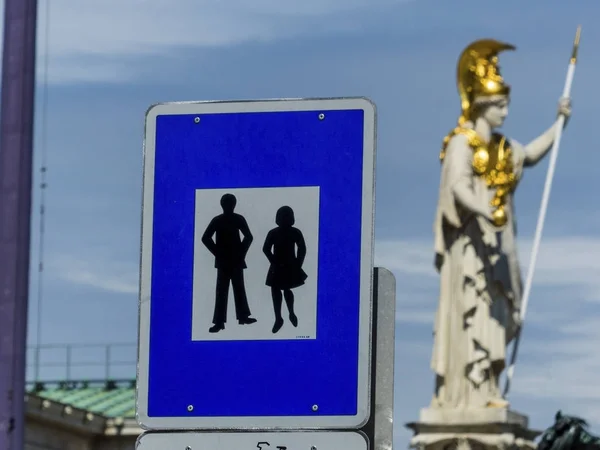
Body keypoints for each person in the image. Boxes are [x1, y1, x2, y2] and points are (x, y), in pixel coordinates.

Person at [431, 39, 572, 409]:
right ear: (482, 105)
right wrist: (482, 210)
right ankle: (471, 390)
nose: (505, 113)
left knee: (504, 311)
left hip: (500, 243)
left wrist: (560, 123)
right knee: (474, 307)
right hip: (472, 247)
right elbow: (457, 186)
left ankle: (488, 386)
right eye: (500, 106)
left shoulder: (505, 148)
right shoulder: (463, 144)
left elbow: (533, 154)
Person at [201, 193, 257, 333]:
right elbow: (205, 238)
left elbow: (249, 237)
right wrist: (218, 252)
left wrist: (239, 252)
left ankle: (239, 317)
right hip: (228, 261)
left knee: (234, 290)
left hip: (232, 260)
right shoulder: (223, 219)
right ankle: (223, 322)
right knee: (224, 291)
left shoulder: (231, 219)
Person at [262, 206, 307, 334]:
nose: (284, 219)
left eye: (286, 217)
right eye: (283, 217)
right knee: (277, 290)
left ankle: (290, 313)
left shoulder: (294, 232)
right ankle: (279, 318)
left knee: (286, 289)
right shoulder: (275, 232)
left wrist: (298, 264)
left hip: (287, 265)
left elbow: (302, 249)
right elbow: (265, 248)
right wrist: (274, 261)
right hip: (279, 265)